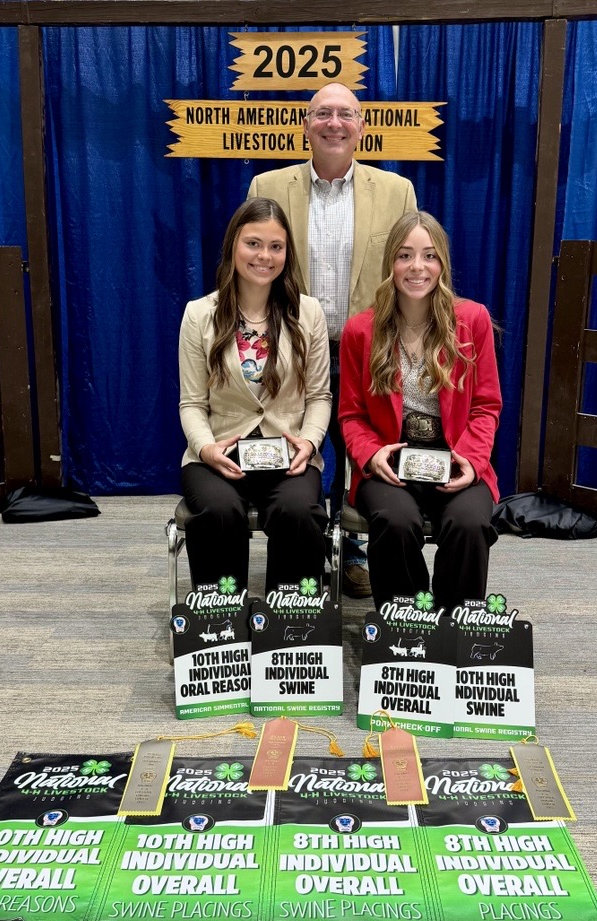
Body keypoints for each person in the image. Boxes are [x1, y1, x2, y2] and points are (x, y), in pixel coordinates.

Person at [248, 83, 417, 599]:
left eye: (346, 114)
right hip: (292, 354)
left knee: (364, 460)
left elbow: (408, 271)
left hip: (369, 354)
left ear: (362, 127)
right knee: (298, 457)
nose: (334, 123)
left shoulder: (397, 191)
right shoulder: (268, 185)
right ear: (306, 124)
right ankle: (307, 552)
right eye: (323, 113)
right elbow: (256, 267)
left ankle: (358, 555)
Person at [338, 211, 502, 612]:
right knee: (395, 522)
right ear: (390, 263)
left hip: (455, 458)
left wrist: (473, 461)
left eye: (429, 256)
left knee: (469, 523)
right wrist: (372, 455)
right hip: (390, 461)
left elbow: (486, 405)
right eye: (405, 255)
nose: (417, 267)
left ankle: (454, 626)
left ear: (442, 263)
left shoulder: (472, 320)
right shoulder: (361, 330)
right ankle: (407, 624)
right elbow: (351, 416)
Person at [178, 197, 331, 593]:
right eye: (253, 243)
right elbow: (192, 403)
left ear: (287, 253)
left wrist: (310, 443)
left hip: (289, 451)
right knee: (219, 510)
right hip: (218, 453)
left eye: (276, 246)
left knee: (298, 510)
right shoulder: (199, 314)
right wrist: (206, 448)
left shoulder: (308, 313)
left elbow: (319, 396)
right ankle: (222, 624)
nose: (264, 256)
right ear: (233, 245)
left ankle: (290, 628)